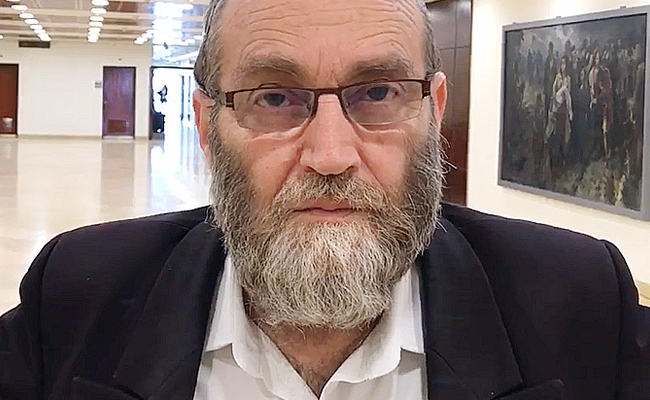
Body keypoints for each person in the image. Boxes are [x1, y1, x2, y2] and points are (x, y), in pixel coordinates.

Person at [1, 0, 648, 399]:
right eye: (274, 98)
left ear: (433, 111)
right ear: (206, 126)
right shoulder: (75, 298)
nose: (331, 154)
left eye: (378, 92)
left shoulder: (583, 305)